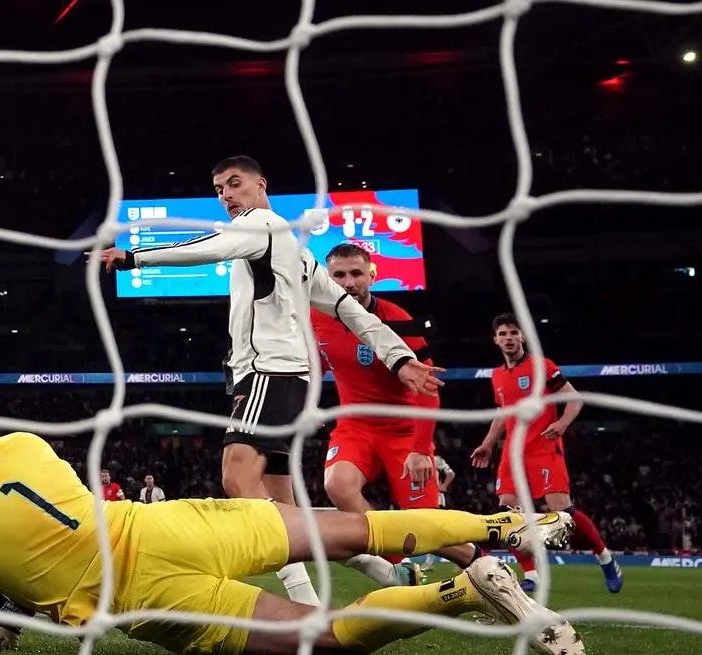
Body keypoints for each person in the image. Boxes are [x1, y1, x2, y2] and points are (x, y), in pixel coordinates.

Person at [0, 392, 585, 655]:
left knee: (328, 635)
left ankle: (458, 594)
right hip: (177, 523)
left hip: (147, 593)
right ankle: (505, 523)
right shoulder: (23, 443)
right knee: (350, 528)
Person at [96, 155, 443, 606]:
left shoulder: (259, 222)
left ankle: (307, 602)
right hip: (280, 376)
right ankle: (376, 566)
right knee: (286, 511)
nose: (226, 195)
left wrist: (133, 257)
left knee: (237, 478)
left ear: (261, 186)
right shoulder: (295, 250)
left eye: (234, 184)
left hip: (268, 373)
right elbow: (348, 308)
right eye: (219, 189)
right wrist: (399, 359)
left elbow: (208, 248)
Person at [311, 243, 483, 584]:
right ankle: (398, 569)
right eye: (339, 275)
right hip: (354, 426)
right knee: (338, 485)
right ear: (328, 279)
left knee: (428, 528)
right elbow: (318, 362)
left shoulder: (399, 320)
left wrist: (421, 449)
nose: (348, 282)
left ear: (372, 275)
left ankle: (487, 568)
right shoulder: (316, 317)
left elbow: (429, 386)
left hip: (404, 432)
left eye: (356, 273)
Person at [470, 314, 623, 594]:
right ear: (495, 340)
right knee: (508, 513)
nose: (508, 338)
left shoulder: (543, 366)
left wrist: (562, 424)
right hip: (512, 453)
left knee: (562, 512)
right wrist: (488, 443)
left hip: (543, 448)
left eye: (513, 333)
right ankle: (532, 575)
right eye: (503, 334)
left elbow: (574, 399)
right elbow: (504, 414)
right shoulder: (497, 375)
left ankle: (605, 557)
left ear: (522, 337)